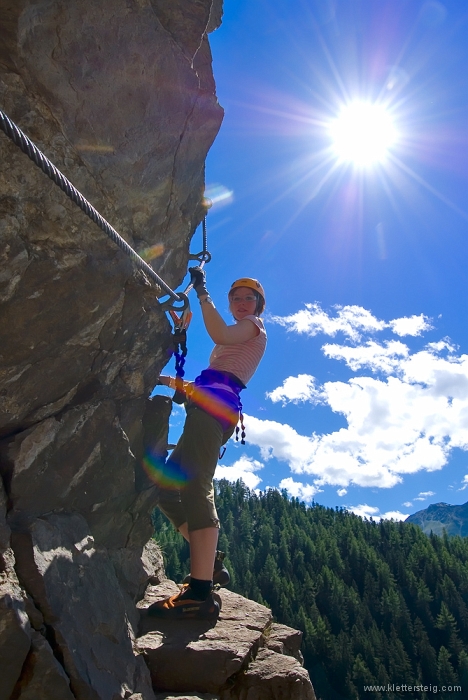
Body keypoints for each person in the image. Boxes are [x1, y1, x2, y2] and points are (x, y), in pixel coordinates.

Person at [147, 268, 267, 620]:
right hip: (210, 408)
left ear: (259, 306)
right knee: (167, 488)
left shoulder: (253, 328)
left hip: (213, 412)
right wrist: (168, 380)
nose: (243, 303)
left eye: (250, 299)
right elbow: (214, 385)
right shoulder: (233, 347)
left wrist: (202, 293)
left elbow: (218, 333)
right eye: (237, 298)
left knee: (196, 485)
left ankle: (199, 593)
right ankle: (209, 563)